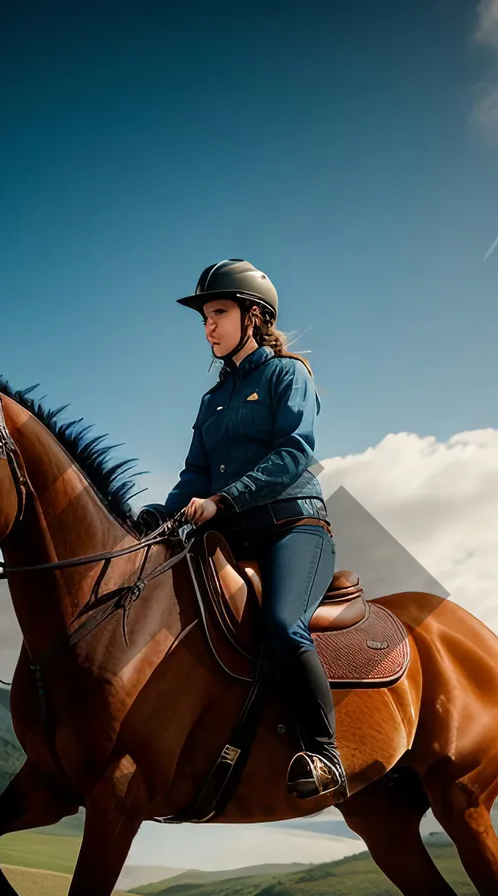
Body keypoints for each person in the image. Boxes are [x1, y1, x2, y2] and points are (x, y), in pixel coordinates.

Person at [137, 259, 345, 800]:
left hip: (294, 527)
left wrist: (224, 499)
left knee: (280, 625)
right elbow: (195, 476)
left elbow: (295, 450)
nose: (208, 326)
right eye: (205, 316)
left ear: (252, 317)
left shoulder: (287, 375)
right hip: (231, 536)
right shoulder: (211, 401)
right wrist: (160, 515)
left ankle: (325, 754)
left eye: (219, 313)